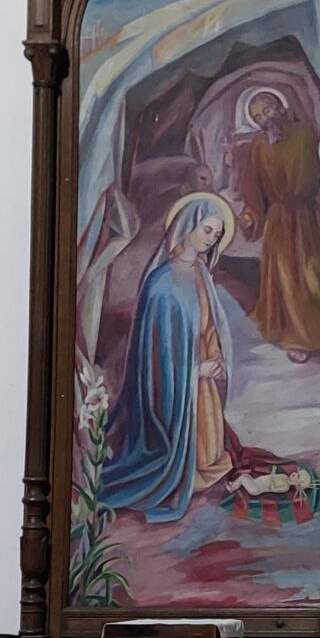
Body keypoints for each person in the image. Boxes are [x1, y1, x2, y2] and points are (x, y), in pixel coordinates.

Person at [100, 194, 239, 524]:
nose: (211, 239)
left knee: (212, 454)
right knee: (186, 458)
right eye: (207, 230)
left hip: (200, 385)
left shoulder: (200, 272)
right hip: (175, 390)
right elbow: (156, 359)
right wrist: (196, 370)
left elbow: (208, 325)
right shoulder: (162, 282)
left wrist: (214, 356)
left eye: (217, 234)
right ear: (188, 226)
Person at [236, 86, 320, 361]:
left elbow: (315, 176)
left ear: (279, 106)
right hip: (278, 223)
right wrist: (250, 216)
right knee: (287, 281)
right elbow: (253, 189)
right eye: (258, 117)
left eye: (267, 110)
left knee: (313, 275)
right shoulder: (258, 146)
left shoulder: (303, 133)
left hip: (307, 217)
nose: (265, 118)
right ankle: (297, 339)